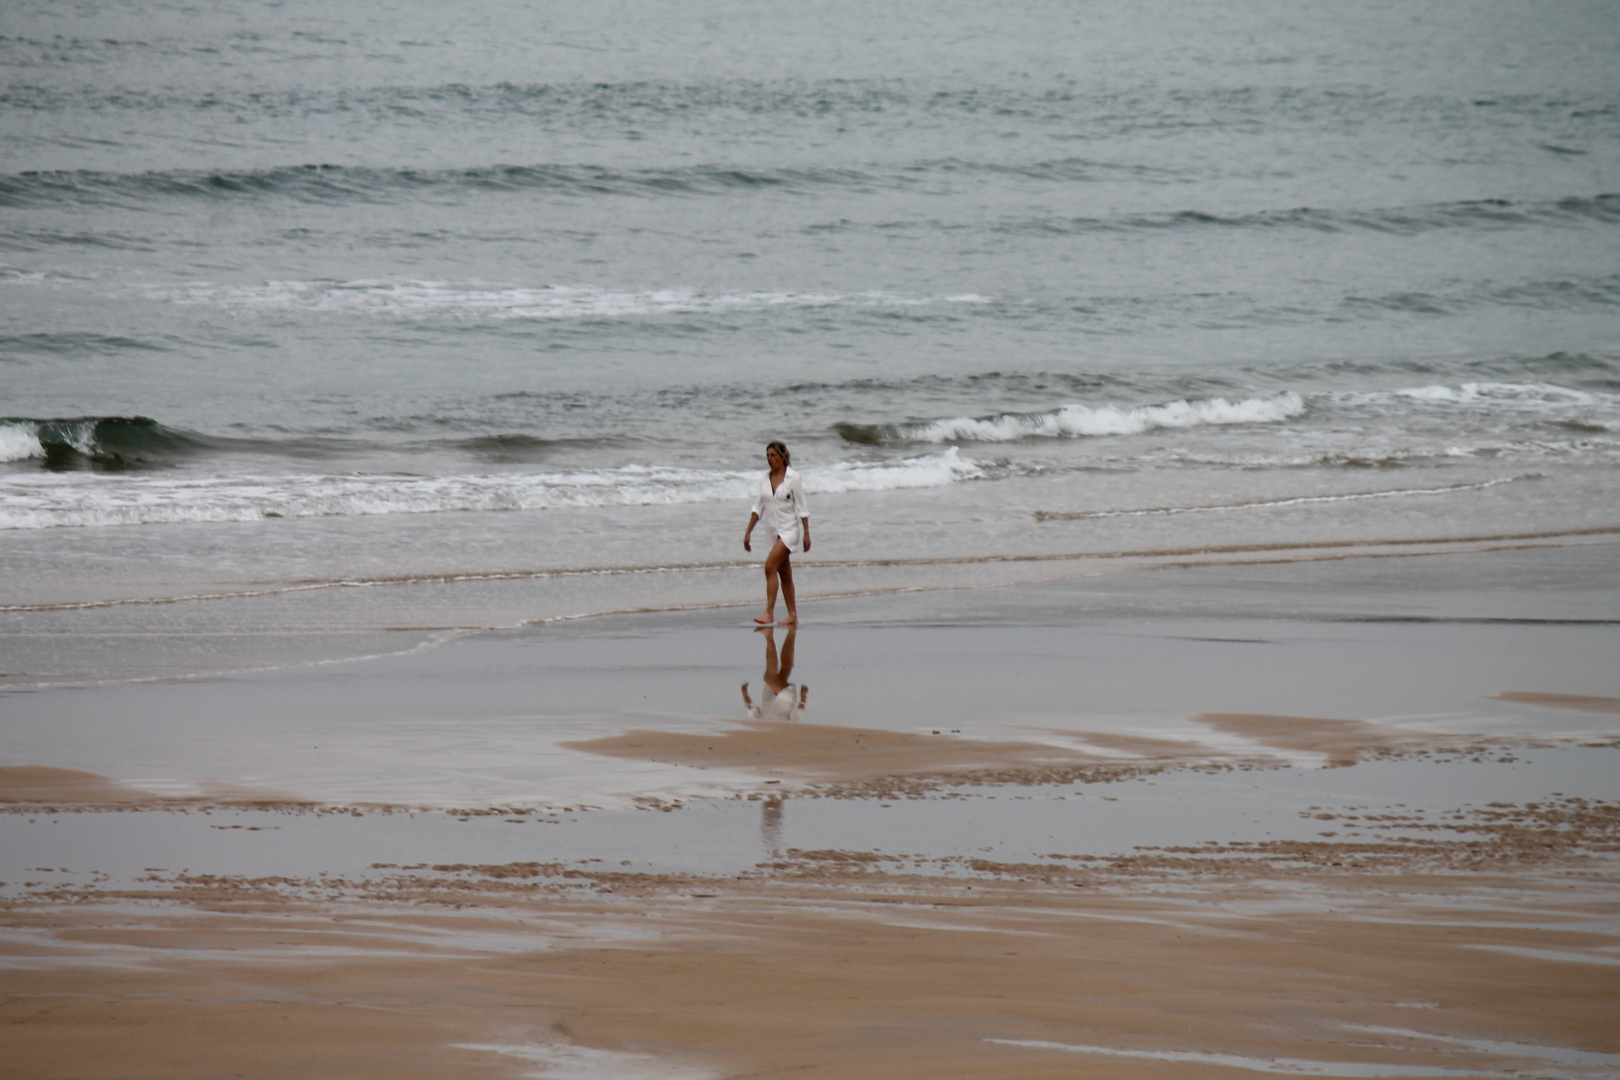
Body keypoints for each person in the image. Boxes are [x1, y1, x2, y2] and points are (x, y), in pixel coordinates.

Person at [742, 440, 809, 626]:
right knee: (785, 574)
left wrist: (806, 534)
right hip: (772, 532)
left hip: (789, 531)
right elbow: (758, 508)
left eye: (773, 455)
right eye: (767, 456)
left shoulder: (794, 478)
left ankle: (769, 613)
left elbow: (803, 508)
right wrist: (748, 532)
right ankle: (793, 615)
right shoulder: (765, 479)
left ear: (783, 457)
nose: (769, 459)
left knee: (770, 567)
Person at [741, 625, 807, 723]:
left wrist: (745, 695)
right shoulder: (786, 731)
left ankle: (792, 631)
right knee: (768, 678)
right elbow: (797, 717)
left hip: (771, 694)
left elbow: (752, 711)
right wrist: (803, 697)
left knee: (786, 667)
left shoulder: (760, 729)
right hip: (786, 700)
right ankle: (769, 635)